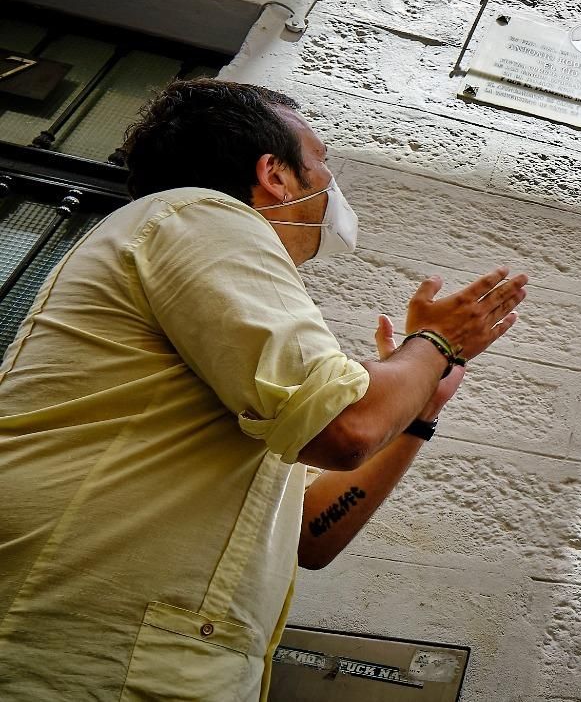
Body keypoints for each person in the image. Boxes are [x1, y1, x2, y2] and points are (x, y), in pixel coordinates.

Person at [0, 79, 529, 700]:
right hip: (90, 657)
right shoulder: (200, 215)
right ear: (274, 175)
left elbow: (310, 534)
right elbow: (349, 427)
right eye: (322, 161)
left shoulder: (216, 301)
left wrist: (419, 408)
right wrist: (434, 344)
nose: (331, 183)